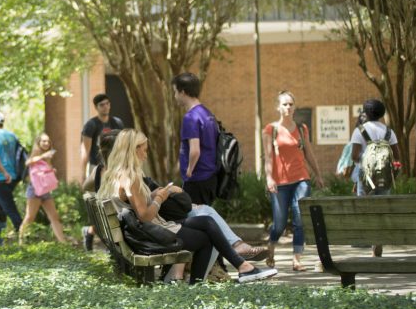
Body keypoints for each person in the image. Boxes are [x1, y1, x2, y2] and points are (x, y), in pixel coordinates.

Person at [99, 129, 276, 284]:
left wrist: (152, 195)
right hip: (150, 235)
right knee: (207, 239)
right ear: (133, 150)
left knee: (206, 220)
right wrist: (159, 198)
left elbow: (134, 203)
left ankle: (243, 267)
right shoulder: (131, 178)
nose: (145, 155)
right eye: (144, 151)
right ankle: (209, 281)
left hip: (141, 233)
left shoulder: (115, 175)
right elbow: (144, 216)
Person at [263, 90, 325, 272]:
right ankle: (271, 246)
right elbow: (267, 157)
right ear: (278, 107)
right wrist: (269, 178)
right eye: (284, 104)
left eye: (291, 104)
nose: (288, 107)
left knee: (299, 217)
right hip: (280, 182)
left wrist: (318, 174)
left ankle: (296, 259)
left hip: (301, 179)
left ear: (294, 107)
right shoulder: (270, 130)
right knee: (280, 223)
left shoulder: (302, 128)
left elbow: (309, 153)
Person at [350, 98, 401, 257]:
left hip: (365, 177)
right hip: (384, 177)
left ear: (365, 113)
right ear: (381, 114)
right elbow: (397, 158)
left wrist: (366, 161)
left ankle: (370, 238)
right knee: (381, 209)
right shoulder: (388, 132)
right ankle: (377, 244)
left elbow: (354, 156)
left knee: (365, 210)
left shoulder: (360, 130)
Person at [172, 72, 220, 205]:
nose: (175, 96)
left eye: (175, 92)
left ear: (183, 92)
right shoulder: (208, 114)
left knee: (196, 220)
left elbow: (195, 150)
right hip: (210, 177)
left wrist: (189, 170)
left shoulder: (190, 117)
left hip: (197, 178)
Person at [17, 133, 71, 245]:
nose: (47, 143)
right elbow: (28, 163)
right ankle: (21, 242)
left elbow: (43, 173)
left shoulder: (48, 158)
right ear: (38, 143)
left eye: (48, 141)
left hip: (45, 190)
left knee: (54, 216)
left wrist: (51, 171)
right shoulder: (36, 156)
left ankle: (63, 243)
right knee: (30, 217)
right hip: (35, 190)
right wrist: (43, 157)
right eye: (44, 141)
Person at [0, 111, 24, 237]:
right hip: (14, 176)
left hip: (0, 177)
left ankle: (21, 230)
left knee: (8, 206)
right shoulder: (12, 136)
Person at [80, 93, 124, 180]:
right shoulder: (91, 125)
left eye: (107, 103)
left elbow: (123, 146)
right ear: (96, 107)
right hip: (96, 166)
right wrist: (83, 174)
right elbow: (85, 150)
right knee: (96, 193)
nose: (105, 107)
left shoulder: (117, 123)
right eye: (102, 105)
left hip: (115, 166)